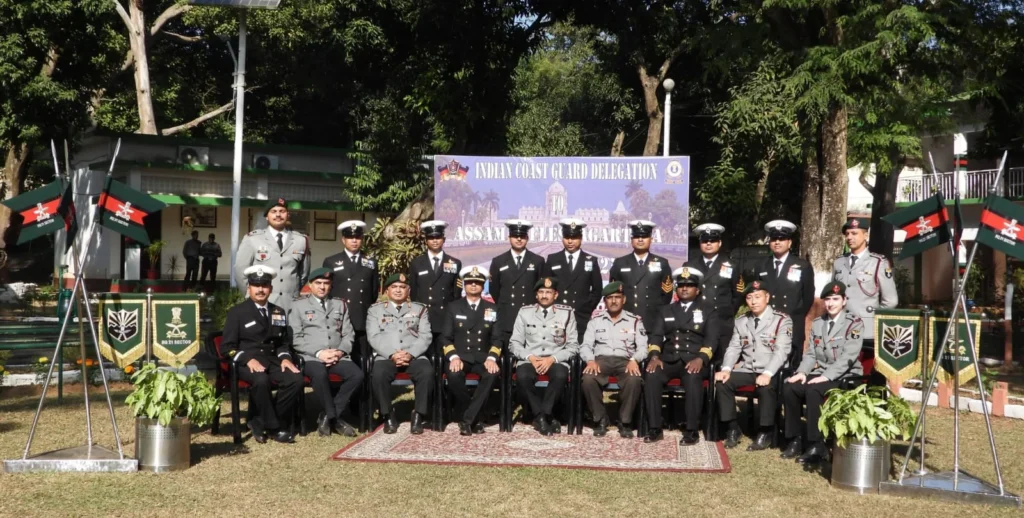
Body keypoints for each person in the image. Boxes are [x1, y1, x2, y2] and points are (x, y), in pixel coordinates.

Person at [782, 281, 864, 465]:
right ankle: (795, 439)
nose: (830, 303)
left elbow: (848, 357)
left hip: (845, 375)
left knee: (814, 390)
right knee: (791, 387)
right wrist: (802, 372)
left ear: (844, 301)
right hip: (821, 372)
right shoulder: (819, 323)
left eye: (835, 299)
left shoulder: (854, 323)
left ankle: (816, 444)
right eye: (827, 299)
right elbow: (811, 353)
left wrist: (825, 376)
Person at [221, 265, 303, 444]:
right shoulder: (237, 312)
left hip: (272, 360)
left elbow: (282, 343)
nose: (260, 290)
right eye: (256, 285)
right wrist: (246, 359)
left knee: (295, 380)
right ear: (248, 288)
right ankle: (274, 428)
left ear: (271, 289)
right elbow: (227, 348)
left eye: (264, 285)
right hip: (246, 362)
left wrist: (286, 359)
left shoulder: (277, 311)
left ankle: (259, 421)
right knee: (261, 380)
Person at [644, 267, 720, 445]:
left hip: (693, 360)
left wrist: (701, 358)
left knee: (693, 378)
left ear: (697, 289)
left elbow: (712, 339)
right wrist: (655, 356)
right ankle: (655, 427)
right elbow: (655, 336)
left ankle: (691, 429)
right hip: (669, 359)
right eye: (681, 285)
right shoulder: (666, 310)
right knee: (652, 375)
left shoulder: (708, 311)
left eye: (689, 285)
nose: (684, 288)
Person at [715, 280, 793, 451]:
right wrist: (726, 369)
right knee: (722, 383)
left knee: (766, 388)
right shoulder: (741, 321)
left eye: (758, 297)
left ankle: (765, 431)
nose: (753, 301)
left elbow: (781, 351)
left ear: (767, 297)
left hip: (772, 370)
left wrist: (767, 373)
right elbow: (734, 347)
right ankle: (733, 428)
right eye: (749, 298)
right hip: (748, 368)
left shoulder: (782, 320)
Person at [288, 267, 363, 437]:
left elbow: (348, 333)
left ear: (331, 285)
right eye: (318, 283)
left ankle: (326, 416)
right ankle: (334, 418)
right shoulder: (298, 306)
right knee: (319, 373)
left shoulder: (339, 304)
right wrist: (319, 353)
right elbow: (296, 338)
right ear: (310, 285)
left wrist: (340, 352)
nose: (322, 287)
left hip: (337, 355)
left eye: (326, 283)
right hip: (310, 357)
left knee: (356, 375)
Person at [509, 277, 579, 436]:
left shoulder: (566, 313)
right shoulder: (524, 312)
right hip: (530, 358)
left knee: (560, 375)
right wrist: (531, 357)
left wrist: (551, 359)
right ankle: (545, 416)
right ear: (536, 295)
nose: (544, 295)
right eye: (541, 292)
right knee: (523, 376)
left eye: (548, 292)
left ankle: (541, 416)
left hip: (555, 358)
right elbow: (514, 343)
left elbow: (573, 346)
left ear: (556, 295)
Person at [366, 273, 433, 434]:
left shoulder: (420, 309)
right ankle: (387, 414)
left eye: (402, 287)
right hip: (386, 355)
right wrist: (392, 354)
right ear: (387, 291)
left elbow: (426, 335)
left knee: (427, 372)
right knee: (379, 374)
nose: (398, 290)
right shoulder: (375, 310)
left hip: (414, 355)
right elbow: (373, 336)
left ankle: (418, 414)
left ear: (408, 290)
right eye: (394, 287)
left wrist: (410, 354)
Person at [579, 281, 647, 439]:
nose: (614, 301)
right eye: (610, 298)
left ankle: (625, 422)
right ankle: (601, 419)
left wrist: (634, 360)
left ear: (624, 299)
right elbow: (585, 346)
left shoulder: (635, 321)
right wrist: (590, 360)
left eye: (617, 297)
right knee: (588, 379)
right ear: (605, 301)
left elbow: (643, 347)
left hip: (626, 360)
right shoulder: (595, 320)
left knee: (634, 380)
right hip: (601, 360)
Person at [441, 266, 502, 435]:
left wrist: (491, 358)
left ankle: (467, 419)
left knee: (491, 374)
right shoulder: (453, 307)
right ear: (464, 285)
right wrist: (453, 357)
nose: (473, 286)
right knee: (453, 375)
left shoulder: (492, 308)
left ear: (483, 287)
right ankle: (477, 415)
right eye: (469, 283)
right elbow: (446, 337)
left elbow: (497, 339)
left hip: (483, 357)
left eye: (477, 283)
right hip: (460, 357)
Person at [234, 198, 311, 313]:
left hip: (290, 304)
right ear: (267, 216)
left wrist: (291, 292)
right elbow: (240, 270)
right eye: (273, 212)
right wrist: (252, 295)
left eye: (282, 211)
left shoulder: (300, 240)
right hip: (262, 303)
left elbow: (303, 273)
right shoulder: (253, 239)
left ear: (288, 215)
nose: (278, 215)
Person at [832, 217, 897, 347]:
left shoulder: (878, 263)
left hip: (866, 331)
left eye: (854, 233)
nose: (849, 237)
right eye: (847, 234)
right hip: (840, 328)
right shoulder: (839, 262)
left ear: (866, 235)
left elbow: (891, 301)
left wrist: (872, 317)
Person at [755, 220, 813, 365]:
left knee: (791, 368)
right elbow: (756, 293)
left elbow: (808, 297)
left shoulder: (802, 265)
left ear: (789, 242)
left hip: (792, 322)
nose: (777, 242)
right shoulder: (761, 265)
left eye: (782, 239)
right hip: (767, 324)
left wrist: (797, 315)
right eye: (774, 239)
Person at [323, 220, 380, 365]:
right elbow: (326, 290)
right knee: (339, 359)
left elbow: (373, 291)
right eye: (350, 237)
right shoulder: (331, 261)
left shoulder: (371, 262)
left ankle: (364, 387)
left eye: (358, 237)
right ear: (343, 240)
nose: (354, 241)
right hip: (339, 317)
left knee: (363, 359)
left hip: (362, 317)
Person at [685, 223, 741, 362]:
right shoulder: (690, 266)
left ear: (719, 243)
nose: (708, 244)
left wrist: (726, 312)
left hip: (722, 322)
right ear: (700, 243)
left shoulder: (731, 266)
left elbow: (737, 294)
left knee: (722, 363)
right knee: (696, 362)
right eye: (705, 241)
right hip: (697, 322)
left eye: (713, 241)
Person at [543, 217, 603, 343]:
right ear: (562, 238)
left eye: (574, 238)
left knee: (580, 355)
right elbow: (546, 289)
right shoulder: (553, 259)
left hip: (581, 317)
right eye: (567, 237)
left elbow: (597, 291)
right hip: (557, 317)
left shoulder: (591, 260)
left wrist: (586, 308)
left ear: (581, 238)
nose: (570, 241)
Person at [407, 220, 462, 355]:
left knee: (444, 359)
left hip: (445, 319)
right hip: (424, 318)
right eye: (431, 238)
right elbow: (414, 293)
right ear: (426, 240)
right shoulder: (417, 263)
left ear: (443, 239)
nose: (435, 241)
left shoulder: (454, 263)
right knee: (425, 358)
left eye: (438, 237)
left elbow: (456, 295)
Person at [489, 219, 545, 345]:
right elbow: (494, 290)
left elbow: (541, 290)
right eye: (515, 236)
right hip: (507, 316)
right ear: (509, 237)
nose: (519, 239)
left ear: (527, 238)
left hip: (531, 316)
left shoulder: (538, 261)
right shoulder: (498, 261)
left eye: (522, 236)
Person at [609, 220, 673, 324]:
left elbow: (666, 295)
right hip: (625, 320)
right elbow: (613, 292)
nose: (640, 240)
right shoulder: (620, 263)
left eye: (644, 237)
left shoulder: (662, 263)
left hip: (652, 320)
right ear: (631, 240)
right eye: (636, 236)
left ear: (651, 239)